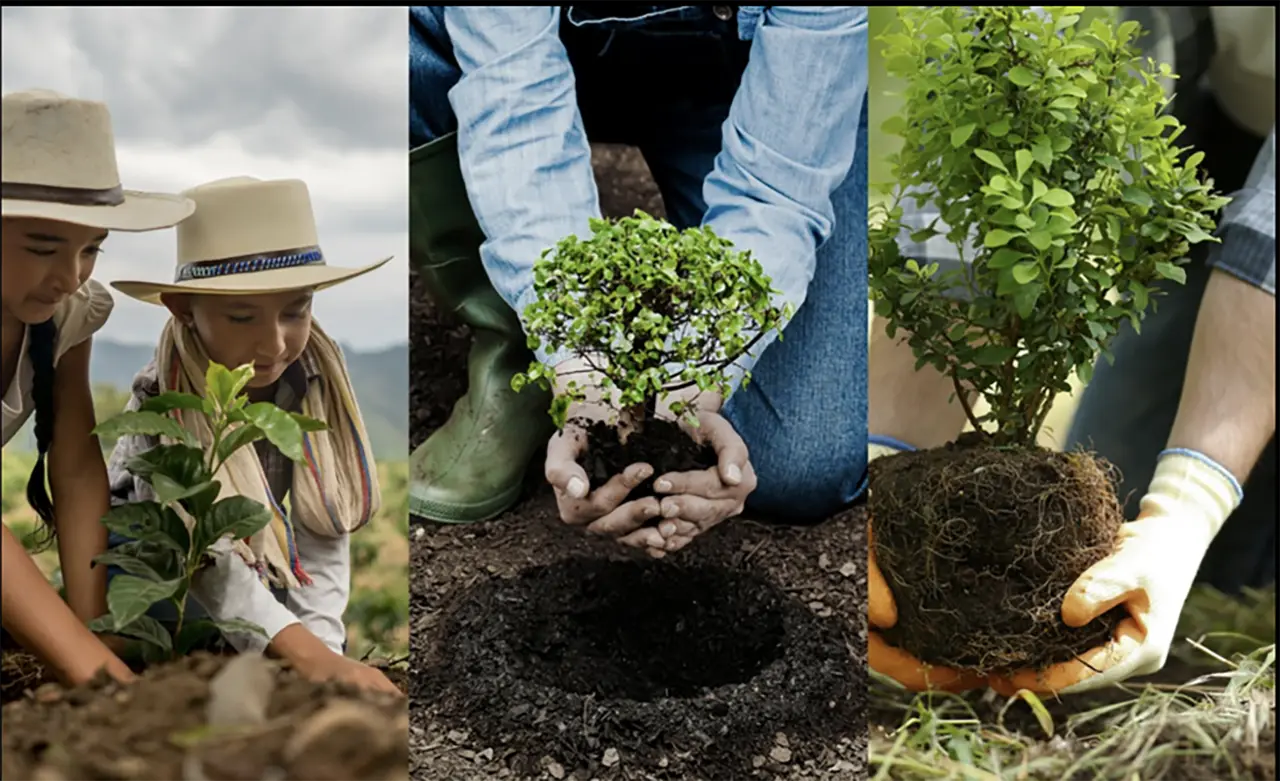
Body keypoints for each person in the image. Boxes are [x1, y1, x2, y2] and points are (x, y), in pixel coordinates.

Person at [868, 6, 1275, 694]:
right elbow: (1017, 74)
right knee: (1119, 541)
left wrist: (1189, 504)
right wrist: (879, 460)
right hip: (1224, 137)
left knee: (1211, 535)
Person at [409, 7, 870, 556]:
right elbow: (516, 113)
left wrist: (700, 371)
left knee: (800, 463)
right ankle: (518, 354)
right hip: (543, 57)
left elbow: (775, 190)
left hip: (745, 81)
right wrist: (578, 362)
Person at [103, 175, 402, 696]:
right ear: (183, 310)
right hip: (160, 572)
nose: (275, 343)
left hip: (253, 569)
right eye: (242, 316)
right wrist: (303, 655)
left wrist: (325, 656)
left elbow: (322, 522)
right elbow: (205, 557)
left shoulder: (313, 382)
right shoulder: (164, 398)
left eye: (297, 310)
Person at [1, 89, 195, 685]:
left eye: (90, 249)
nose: (70, 275)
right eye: (43, 248)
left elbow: (78, 464)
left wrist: (96, 624)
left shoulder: (69, 314)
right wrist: (98, 676)